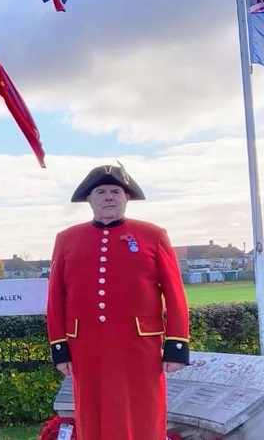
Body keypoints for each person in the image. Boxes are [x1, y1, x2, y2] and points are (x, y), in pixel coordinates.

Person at [46, 164, 190, 440]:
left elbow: (174, 292)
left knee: (143, 409)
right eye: (100, 191)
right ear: (89, 199)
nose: (108, 197)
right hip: (86, 345)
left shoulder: (153, 235)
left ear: (126, 198)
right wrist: (59, 347)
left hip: (139, 346)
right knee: (91, 410)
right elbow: (56, 297)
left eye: (115, 191)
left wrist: (176, 345)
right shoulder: (67, 239)